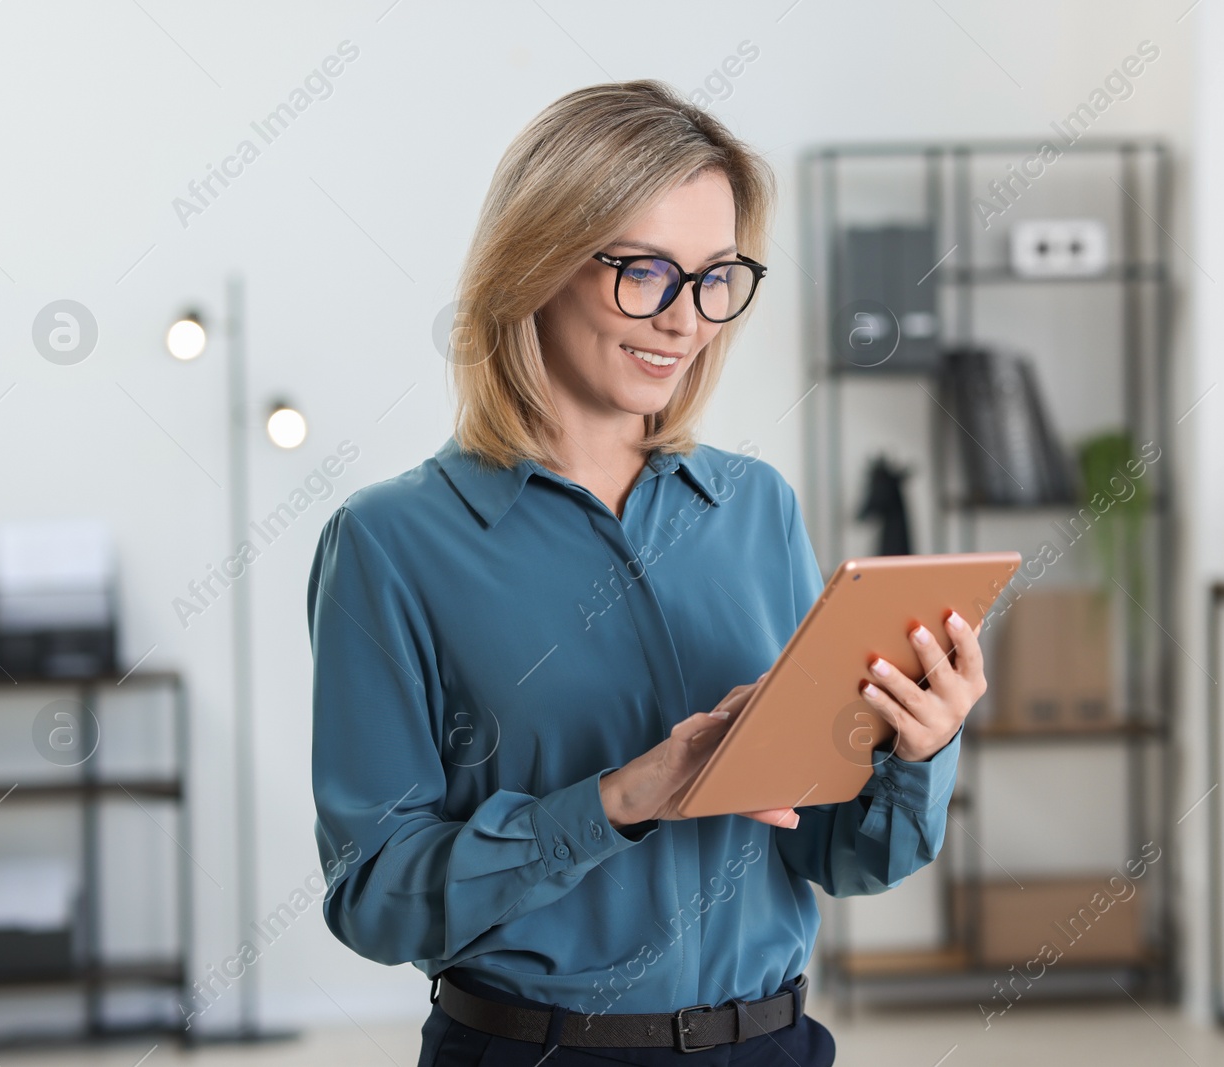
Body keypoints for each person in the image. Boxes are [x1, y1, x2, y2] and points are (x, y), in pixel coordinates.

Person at [306, 79, 987, 1066]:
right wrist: (618, 798)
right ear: (536, 262)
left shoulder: (757, 507)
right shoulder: (390, 541)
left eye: (715, 277)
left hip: (771, 1044)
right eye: (645, 271)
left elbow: (834, 851)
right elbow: (373, 898)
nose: (684, 320)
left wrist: (919, 754)